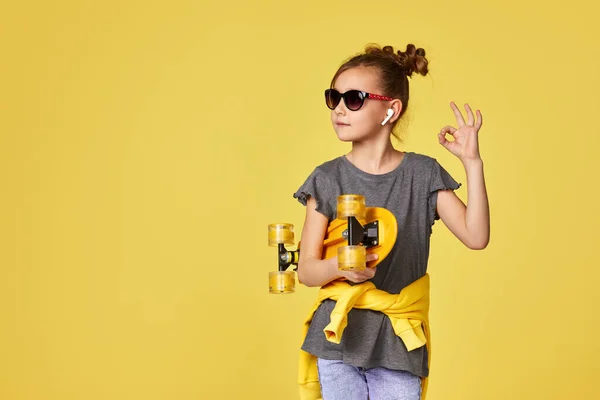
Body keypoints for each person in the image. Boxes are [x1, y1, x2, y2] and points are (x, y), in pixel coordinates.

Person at [292, 43, 490, 400]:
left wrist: (472, 163)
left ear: (390, 109)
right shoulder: (325, 178)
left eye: (353, 98)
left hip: (399, 340)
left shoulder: (423, 174)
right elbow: (306, 271)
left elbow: (476, 237)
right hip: (338, 339)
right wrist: (341, 267)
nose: (339, 108)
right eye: (333, 97)